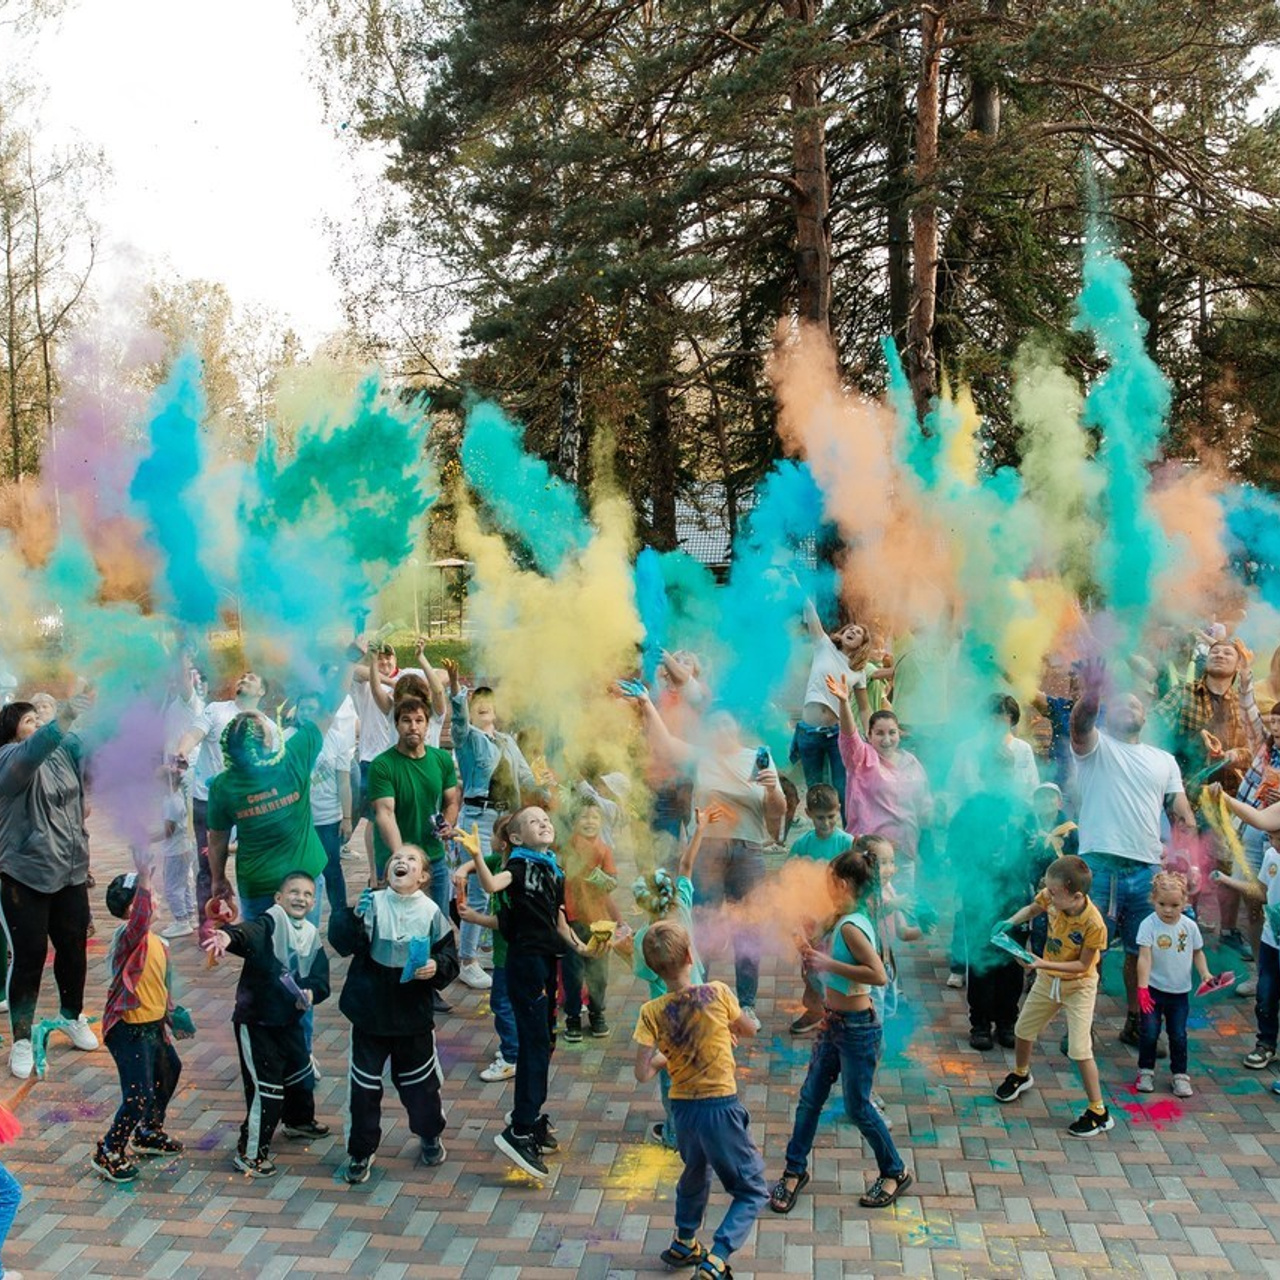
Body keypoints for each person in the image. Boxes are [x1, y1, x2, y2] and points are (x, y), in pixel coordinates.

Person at [626, 690, 785, 1031]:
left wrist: (772, 789)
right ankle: (697, 997)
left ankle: (747, 1005)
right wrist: (647, 704)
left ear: (737, 728)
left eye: (727, 725)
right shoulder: (701, 757)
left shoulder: (758, 758)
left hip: (748, 849)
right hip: (708, 849)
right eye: (714, 726)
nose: (721, 731)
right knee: (703, 925)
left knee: (747, 930)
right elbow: (666, 743)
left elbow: (778, 813)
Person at [768, 848, 913, 1216]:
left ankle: (895, 1171)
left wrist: (827, 962)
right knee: (810, 1099)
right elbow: (827, 961)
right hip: (833, 1024)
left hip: (857, 1030)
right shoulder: (841, 917)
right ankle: (793, 1171)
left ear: (843, 884)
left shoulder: (851, 926)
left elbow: (878, 974)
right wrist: (806, 945)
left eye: (830, 882)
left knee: (858, 1107)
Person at [466, 805, 599, 1180]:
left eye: (547, 818)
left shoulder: (553, 869)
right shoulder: (520, 866)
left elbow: (558, 922)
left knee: (545, 1043)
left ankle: (529, 1112)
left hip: (546, 962)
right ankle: (520, 1128)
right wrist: (476, 854)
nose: (544, 822)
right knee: (534, 1044)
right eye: (533, 821)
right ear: (516, 838)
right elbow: (492, 885)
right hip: (525, 965)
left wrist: (584, 948)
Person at [1069, 659, 1195, 1047]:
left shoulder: (1164, 760)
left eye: (1137, 705)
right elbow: (1080, 724)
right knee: (1091, 950)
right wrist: (1091, 693)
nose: (1130, 708)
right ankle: (1081, 1026)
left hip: (1146, 869)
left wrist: (1189, 850)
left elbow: (1180, 808)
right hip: (1099, 865)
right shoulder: (1096, 748)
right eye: (1121, 704)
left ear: (1146, 716)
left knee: (1141, 951)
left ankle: (1136, 1021)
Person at [633, 920, 768, 1278]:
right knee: (752, 1189)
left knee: (696, 1172)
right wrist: (725, 1027)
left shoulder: (652, 1012)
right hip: (720, 1108)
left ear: (652, 968)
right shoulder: (717, 993)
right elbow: (750, 1029)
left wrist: (670, 1054)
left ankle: (684, 1241)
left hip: (683, 1111)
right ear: (691, 955)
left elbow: (644, 1072)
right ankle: (717, 1257)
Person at [328, 845, 459, 1183]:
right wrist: (353, 915)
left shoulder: (430, 912)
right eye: (396, 858)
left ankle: (429, 1133)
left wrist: (435, 966)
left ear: (424, 877)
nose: (402, 861)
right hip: (371, 1013)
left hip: (412, 1015)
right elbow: (343, 944)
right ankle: (360, 1151)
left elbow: (450, 959)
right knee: (364, 1087)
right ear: (387, 871)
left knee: (420, 1086)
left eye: (412, 859)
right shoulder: (372, 902)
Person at [202, 871, 333, 1179]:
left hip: (288, 1021)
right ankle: (250, 1153)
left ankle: (299, 1121)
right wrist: (226, 936)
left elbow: (320, 978)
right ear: (278, 898)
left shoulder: (312, 933)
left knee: (301, 1073)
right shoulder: (269, 922)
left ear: (314, 901)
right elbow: (248, 934)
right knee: (267, 1088)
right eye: (293, 892)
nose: (300, 898)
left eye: (306, 894)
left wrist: (313, 991)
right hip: (257, 1022)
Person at [0, 692, 99, 1080]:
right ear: (11, 732)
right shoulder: (9, 759)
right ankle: (22, 1041)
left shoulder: (60, 752)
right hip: (24, 874)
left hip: (70, 870)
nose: (37, 726)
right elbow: (36, 749)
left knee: (73, 949)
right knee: (29, 957)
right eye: (28, 721)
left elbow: (92, 743)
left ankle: (71, 1016)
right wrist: (67, 712)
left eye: (39, 721)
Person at [1150, 638, 1259, 954]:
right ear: (1205, 661)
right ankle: (1186, 921)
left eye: (1229, 652)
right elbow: (1155, 726)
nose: (1221, 654)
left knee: (1227, 867)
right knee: (1186, 862)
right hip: (1188, 795)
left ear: (1238, 666)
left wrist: (1233, 754)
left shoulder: (1241, 702)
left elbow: (1255, 749)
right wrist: (1196, 740)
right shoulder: (1184, 694)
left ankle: (1227, 931)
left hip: (1229, 798)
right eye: (1215, 651)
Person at [992, 855, 1113, 1137]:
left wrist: (1040, 963)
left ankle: (1098, 1111)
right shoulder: (1052, 894)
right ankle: (1022, 1074)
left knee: (1080, 1050)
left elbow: (1083, 965)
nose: (1049, 896)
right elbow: (1036, 906)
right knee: (1023, 1029)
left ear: (1076, 896)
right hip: (1048, 979)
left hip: (1078, 986)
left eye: (1055, 893)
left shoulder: (1095, 925)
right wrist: (1010, 921)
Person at [620, 806, 719, 1149]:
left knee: (672, 1076)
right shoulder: (684, 910)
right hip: (700, 1003)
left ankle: (678, 1134)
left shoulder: (643, 939)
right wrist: (701, 827)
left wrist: (619, 946)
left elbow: (643, 970)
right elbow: (687, 866)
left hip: (668, 1017)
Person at [444, 660, 537, 991]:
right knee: (481, 892)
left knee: (499, 884)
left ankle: (482, 948)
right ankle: (466, 960)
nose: (487, 715)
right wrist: (455, 685)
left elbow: (524, 775)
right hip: (478, 820)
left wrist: (546, 788)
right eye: (479, 710)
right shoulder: (467, 739)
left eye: (489, 709)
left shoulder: (507, 741)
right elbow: (456, 720)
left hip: (504, 820)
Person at [92, 868, 186, 1184]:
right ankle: (110, 1149)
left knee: (170, 1069)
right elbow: (140, 920)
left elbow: (162, 985)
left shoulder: (160, 943)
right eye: (148, 895)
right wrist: (144, 876)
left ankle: (148, 1131)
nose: (154, 898)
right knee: (138, 1095)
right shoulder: (128, 939)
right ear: (134, 910)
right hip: (127, 1030)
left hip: (152, 1026)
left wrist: (173, 1014)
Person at [175, 672, 274, 923]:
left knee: (253, 859)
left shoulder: (267, 726)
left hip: (248, 803)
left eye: (252, 678)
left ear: (262, 691)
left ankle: (255, 919)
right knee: (207, 864)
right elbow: (193, 735)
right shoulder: (216, 710)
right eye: (241, 676)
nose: (243, 679)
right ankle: (208, 925)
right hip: (208, 801)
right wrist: (182, 751)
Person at [351, 640, 446, 897]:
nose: (412, 720)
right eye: (403, 699)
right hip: (398, 774)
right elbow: (376, 691)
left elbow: (438, 691)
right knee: (390, 817)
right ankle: (397, 864)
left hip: (427, 775)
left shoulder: (434, 714)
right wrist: (372, 662)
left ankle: (422, 867)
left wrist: (422, 659)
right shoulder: (394, 712)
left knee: (425, 825)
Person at [827, 676, 930, 894]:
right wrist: (844, 703)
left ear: (899, 734)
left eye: (892, 732)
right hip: (869, 857)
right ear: (869, 735)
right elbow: (849, 737)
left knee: (901, 912)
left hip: (904, 855)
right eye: (879, 733)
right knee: (872, 910)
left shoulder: (911, 762)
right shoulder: (862, 759)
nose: (886, 739)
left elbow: (924, 805)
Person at [1209, 783, 1280, 1073]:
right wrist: (1226, 881)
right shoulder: (1272, 856)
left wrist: (1225, 798)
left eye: (1276, 835)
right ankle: (1265, 1044)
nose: (1272, 840)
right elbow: (1261, 891)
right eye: (1271, 836)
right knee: (1266, 994)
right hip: (1271, 942)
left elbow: (1260, 819)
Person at [1135, 870, 1213, 1098]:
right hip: (1152, 990)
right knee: (1149, 1033)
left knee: (1178, 1034)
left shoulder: (1189, 927)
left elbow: (1197, 953)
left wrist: (1205, 973)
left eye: (1174, 905)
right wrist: (1142, 988)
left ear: (1185, 902)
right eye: (1162, 904)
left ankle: (1180, 1075)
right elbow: (1144, 957)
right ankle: (1145, 1070)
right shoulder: (1148, 925)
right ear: (1153, 900)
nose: (1168, 910)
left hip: (1179, 993)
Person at [790, 600, 872, 809]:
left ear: (862, 645)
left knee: (843, 787)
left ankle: (848, 833)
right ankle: (821, 832)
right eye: (850, 629)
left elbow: (864, 708)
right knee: (815, 789)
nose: (852, 631)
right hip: (808, 732)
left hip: (837, 734)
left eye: (858, 633)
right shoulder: (824, 645)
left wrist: (870, 733)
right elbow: (811, 613)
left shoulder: (858, 672)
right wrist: (799, 587)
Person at [786, 784, 854, 1036]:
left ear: (839, 811)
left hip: (838, 919)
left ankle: (837, 1011)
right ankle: (816, 1010)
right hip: (809, 918)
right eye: (819, 817)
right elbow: (789, 879)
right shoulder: (803, 844)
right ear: (808, 813)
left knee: (835, 966)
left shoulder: (847, 842)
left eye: (831, 817)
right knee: (810, 967)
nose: (825, 823)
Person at [454, 815, 519, 1082]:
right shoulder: (499, 861)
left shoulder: (514, 872)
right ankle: (515, 1047)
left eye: (493, 835)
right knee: (512, 1003)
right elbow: (480, 864)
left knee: (502, 1003)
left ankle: (511, 1056)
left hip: (511, 953)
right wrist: (463, 869)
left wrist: (476, 918)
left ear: (502, 843)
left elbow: (507, 922)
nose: (488, 840)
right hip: (507, 953)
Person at [289, 691, 356, 920]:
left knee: (332, 869)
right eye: (303, 708)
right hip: (298, 820)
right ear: (296, 711)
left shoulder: (335, 738)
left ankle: (339, 917)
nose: (307, 713)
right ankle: (302, 919)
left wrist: (347, 818)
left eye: (312, 709)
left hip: (328, 817)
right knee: (300, 872)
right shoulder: (286, 738)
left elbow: (344, 781)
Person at [559, 802, 619, 1042]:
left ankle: (597, 1013)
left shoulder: (604, 850)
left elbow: (612, 880)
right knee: (573, 973)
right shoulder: (567, 847)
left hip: (599, 922)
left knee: (599, 973)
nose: (590, 821)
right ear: (574, 822)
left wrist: (604, 879)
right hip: (572, 919)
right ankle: (573, 1016)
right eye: (584, 817)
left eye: (594, 817)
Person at [156, 760, 197, 939]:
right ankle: (188, 915)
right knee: (184, 884)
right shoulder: (178, 796)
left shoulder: (171, 802)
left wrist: (146, 838)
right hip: (184, 846)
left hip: (175, 850)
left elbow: (168, 831)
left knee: (172, 887)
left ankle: (181, 921)